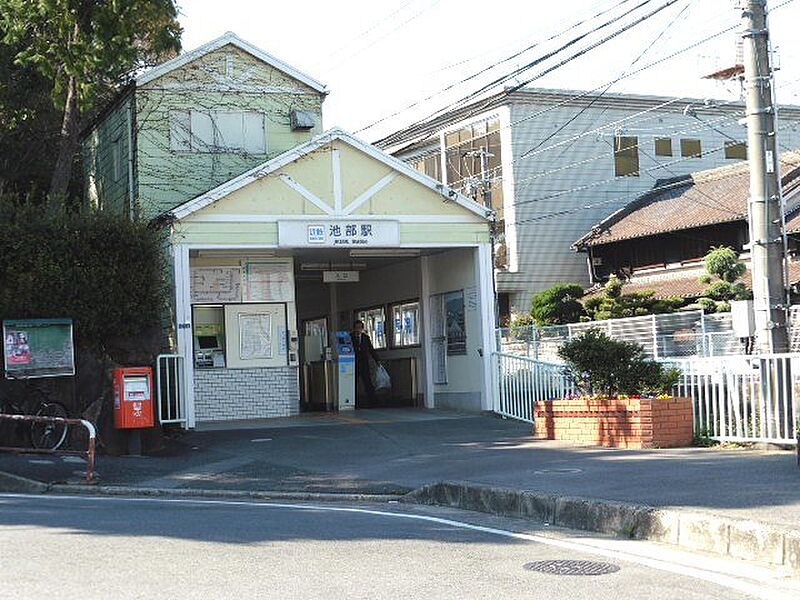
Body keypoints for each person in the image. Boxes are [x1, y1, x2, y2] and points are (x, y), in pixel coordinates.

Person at [350, 320, 380, 408]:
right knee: (353, 384)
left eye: (360, 328)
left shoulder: (365, 338)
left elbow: (371, 349)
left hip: (364, 363)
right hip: (353, 363)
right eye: (356, 328)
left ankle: (373, 403)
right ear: (354, 328)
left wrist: (377, 360)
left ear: (362, 329)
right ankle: (354, 402)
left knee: (368, 382)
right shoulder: (350, 337)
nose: (358, 329)